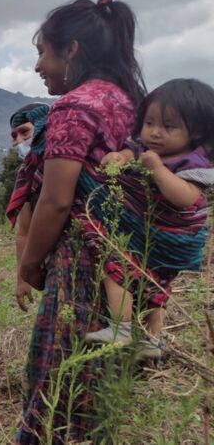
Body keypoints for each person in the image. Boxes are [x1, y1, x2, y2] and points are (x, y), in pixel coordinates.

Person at [16, 0, 145, 442]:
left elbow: (56, 200)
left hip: (82, 262)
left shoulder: (75, 107)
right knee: (98, 392)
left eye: (43, 52)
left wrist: (29, 265)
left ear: (71, 50)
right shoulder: (131, 102)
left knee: (58, 384)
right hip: (126, 264)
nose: (38, 65)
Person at [83, 79, 214, 359]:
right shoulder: (143, 148)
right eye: (149, 123)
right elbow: (130, 152)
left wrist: (157, 168)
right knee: (152, 284)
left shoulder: (195, 162)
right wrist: (118, 156)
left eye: (168, 126)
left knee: (117, 265)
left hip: (172, 236)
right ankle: (149, 342)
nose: (155, 132)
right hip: (144, 228)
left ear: (197, 131)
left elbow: (186, 197)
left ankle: (126, 330)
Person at [5, 102, 50, 312]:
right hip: (52, 267)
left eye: (25, 132)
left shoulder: (67, 164)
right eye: (14, 136)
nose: (19, 140)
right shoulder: (26, 176)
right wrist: (22, 279)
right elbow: (24, 233)